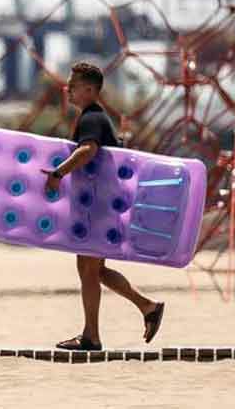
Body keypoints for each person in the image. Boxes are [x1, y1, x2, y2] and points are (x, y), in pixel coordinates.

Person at [43, 61, 165, 351]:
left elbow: (88, 150)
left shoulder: (91, 118)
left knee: (88, 268)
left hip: (98, 207)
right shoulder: (96, 117)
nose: (67, 90)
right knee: (92, 270)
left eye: (72, 86)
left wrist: (58, 174)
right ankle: (147, 307)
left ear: (89, 89)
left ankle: (92, 336)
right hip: (101, 205)